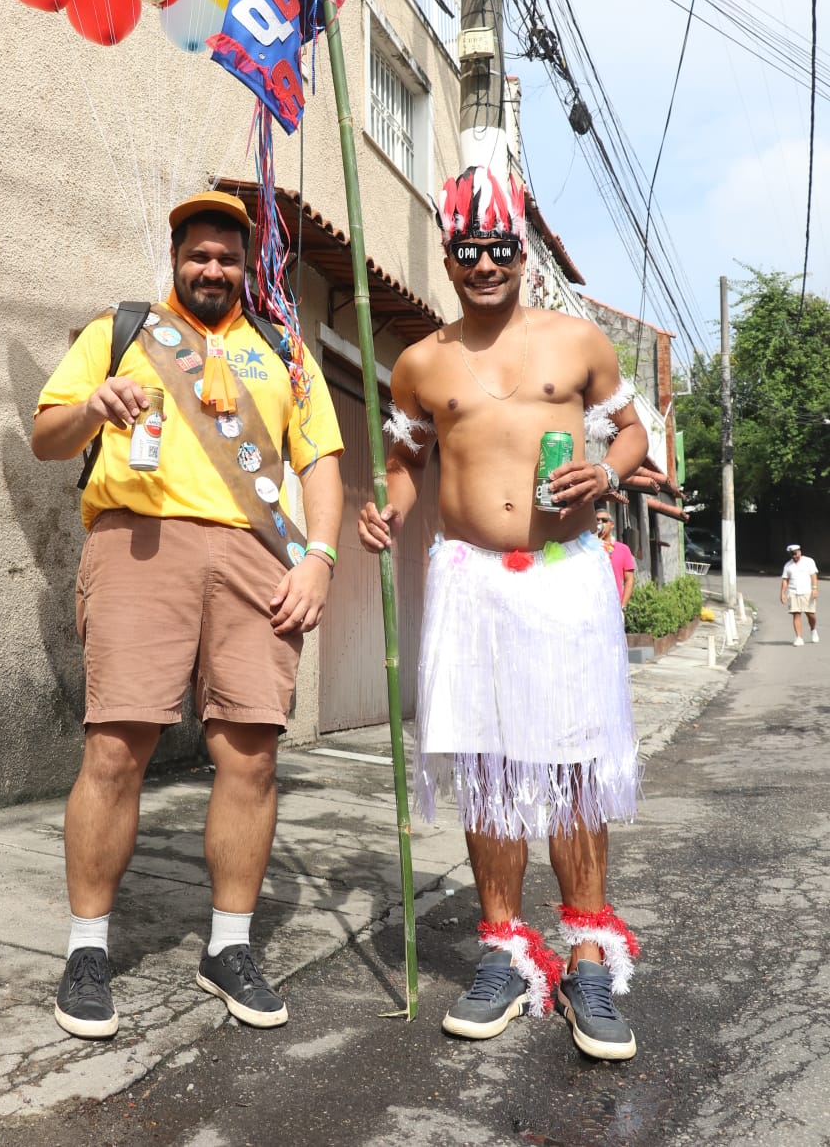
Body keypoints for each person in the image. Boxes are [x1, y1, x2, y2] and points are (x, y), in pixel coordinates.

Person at [32, 190, 344, 1040]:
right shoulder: (121, 331)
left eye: (228, 257)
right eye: (199, 254)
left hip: (256, 560)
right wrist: (94, 407)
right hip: (140, 547)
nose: (213, 268)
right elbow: (47, 437)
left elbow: (319, 462)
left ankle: (230, 946)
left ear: (249, 267)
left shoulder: (284, 349)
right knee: (115, 747)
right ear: (175, 258)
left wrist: (319, 558)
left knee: (250, 754)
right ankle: (87, 949)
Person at [358, 165, 649, 1062]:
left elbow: (633, 432)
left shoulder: (579, 341)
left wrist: (610, 469)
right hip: (471, 583)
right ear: (447, 256)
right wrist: (389, 507)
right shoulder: (420, 363)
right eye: (467, 249)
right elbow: (405, 459)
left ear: (520, 254)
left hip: (567, 575)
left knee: (567, 770)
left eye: (498, 248)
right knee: (489, 767)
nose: (484, 262)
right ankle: (502, 954)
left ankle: (587, 959)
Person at [596, 510, 636, 610]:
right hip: (593, 608)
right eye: (597, 520)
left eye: (604, 520)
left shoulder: (623, 549)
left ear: (612, 525)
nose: (600, 523)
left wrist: (623, 605)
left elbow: (629, 580)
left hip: (614, 607)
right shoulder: (588, 548)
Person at [781, 543, 819, 646]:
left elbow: (813, 575)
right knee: (796, 614)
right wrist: (782, 593)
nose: (794, 556)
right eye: (792, 554)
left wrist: (814, 588)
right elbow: (785, 580)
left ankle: (813, 629)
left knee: (810, 614)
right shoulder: (788, 566)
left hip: (807, 591)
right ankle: (799, 637)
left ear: (800, 552)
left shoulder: (809, 561)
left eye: (796, 553)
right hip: (793, 592)